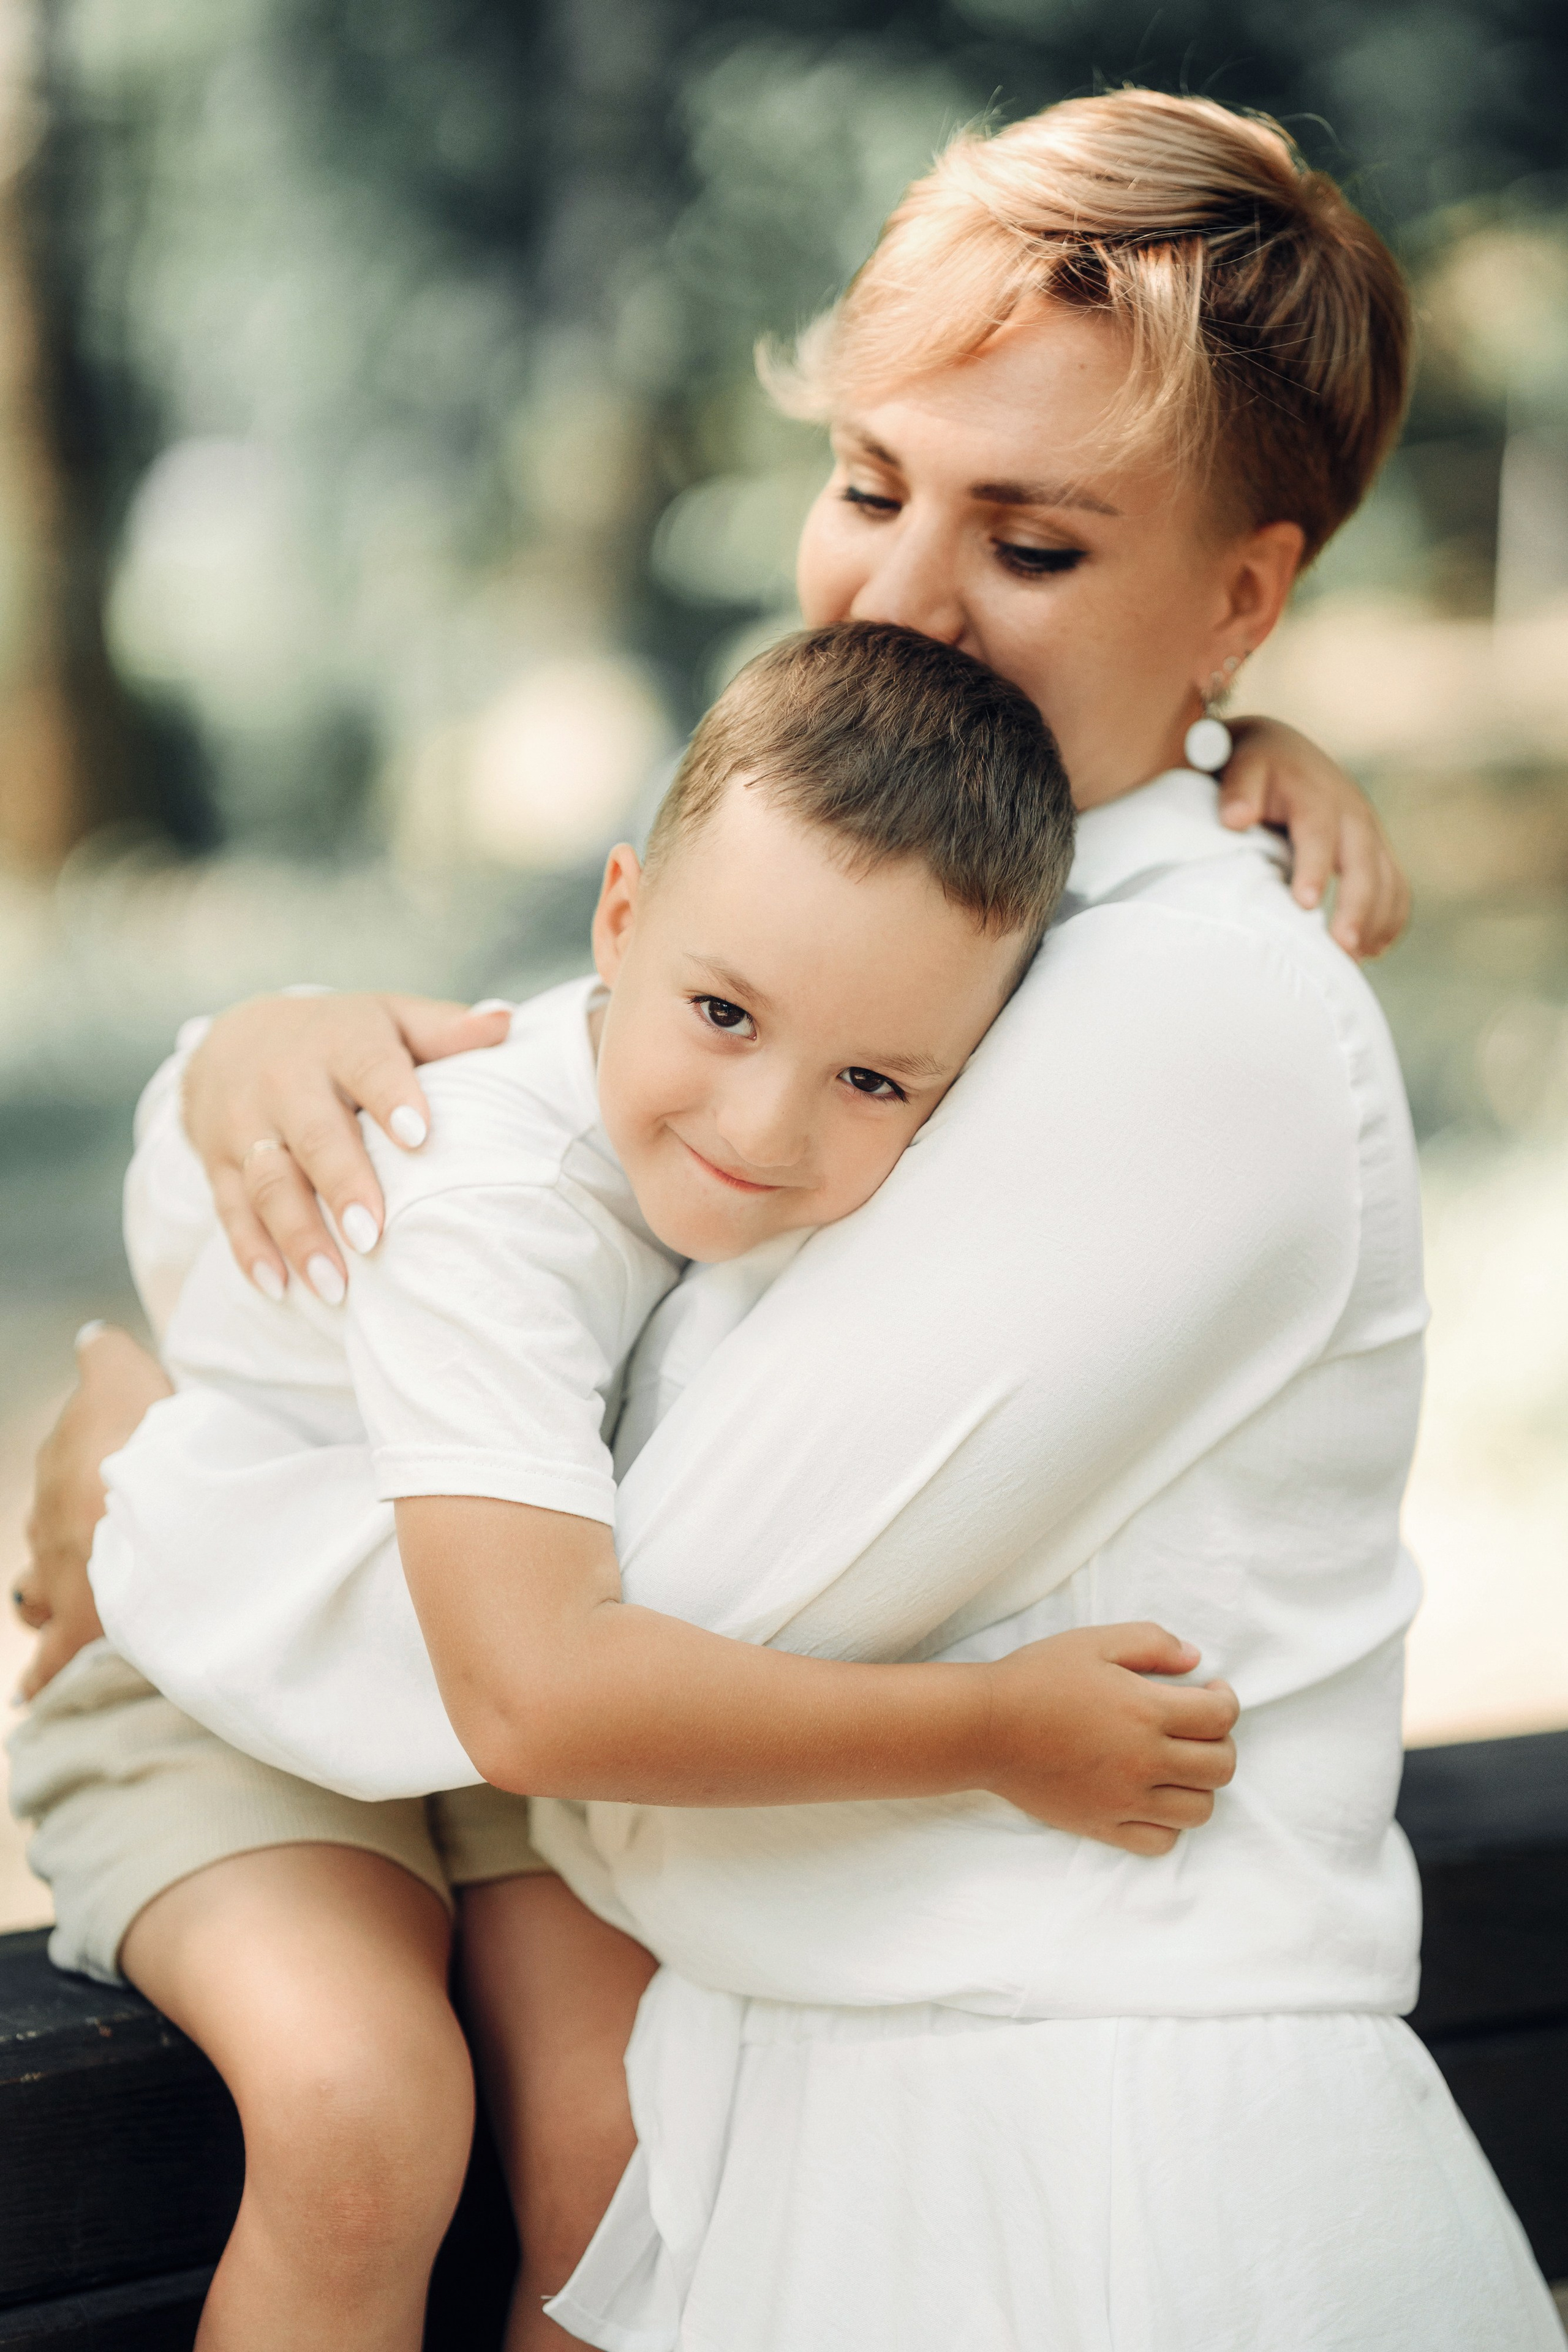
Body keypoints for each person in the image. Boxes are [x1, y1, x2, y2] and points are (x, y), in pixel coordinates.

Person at [18, 85, 1560, 2351]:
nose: (903, 599)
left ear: (1248, 595)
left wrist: (149, 1486)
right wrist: (253, 1045)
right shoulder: (904, 909)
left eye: (1032, 546)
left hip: (1052, 2171)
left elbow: (601, 1622)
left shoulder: (1187, 995)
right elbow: (551, 1117)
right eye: (865, 486)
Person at [10, 620, 1240, 2352]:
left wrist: (1250, 766)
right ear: (616, 921)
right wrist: (990, 1730)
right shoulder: (487, 1203)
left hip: (504, 1672)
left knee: (633, 2163)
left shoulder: (848, 1116)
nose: (766, 1127)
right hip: (234, 1670)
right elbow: (534, 1698)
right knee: (363, 2116)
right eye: (724, 1011)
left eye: (875, 1080)